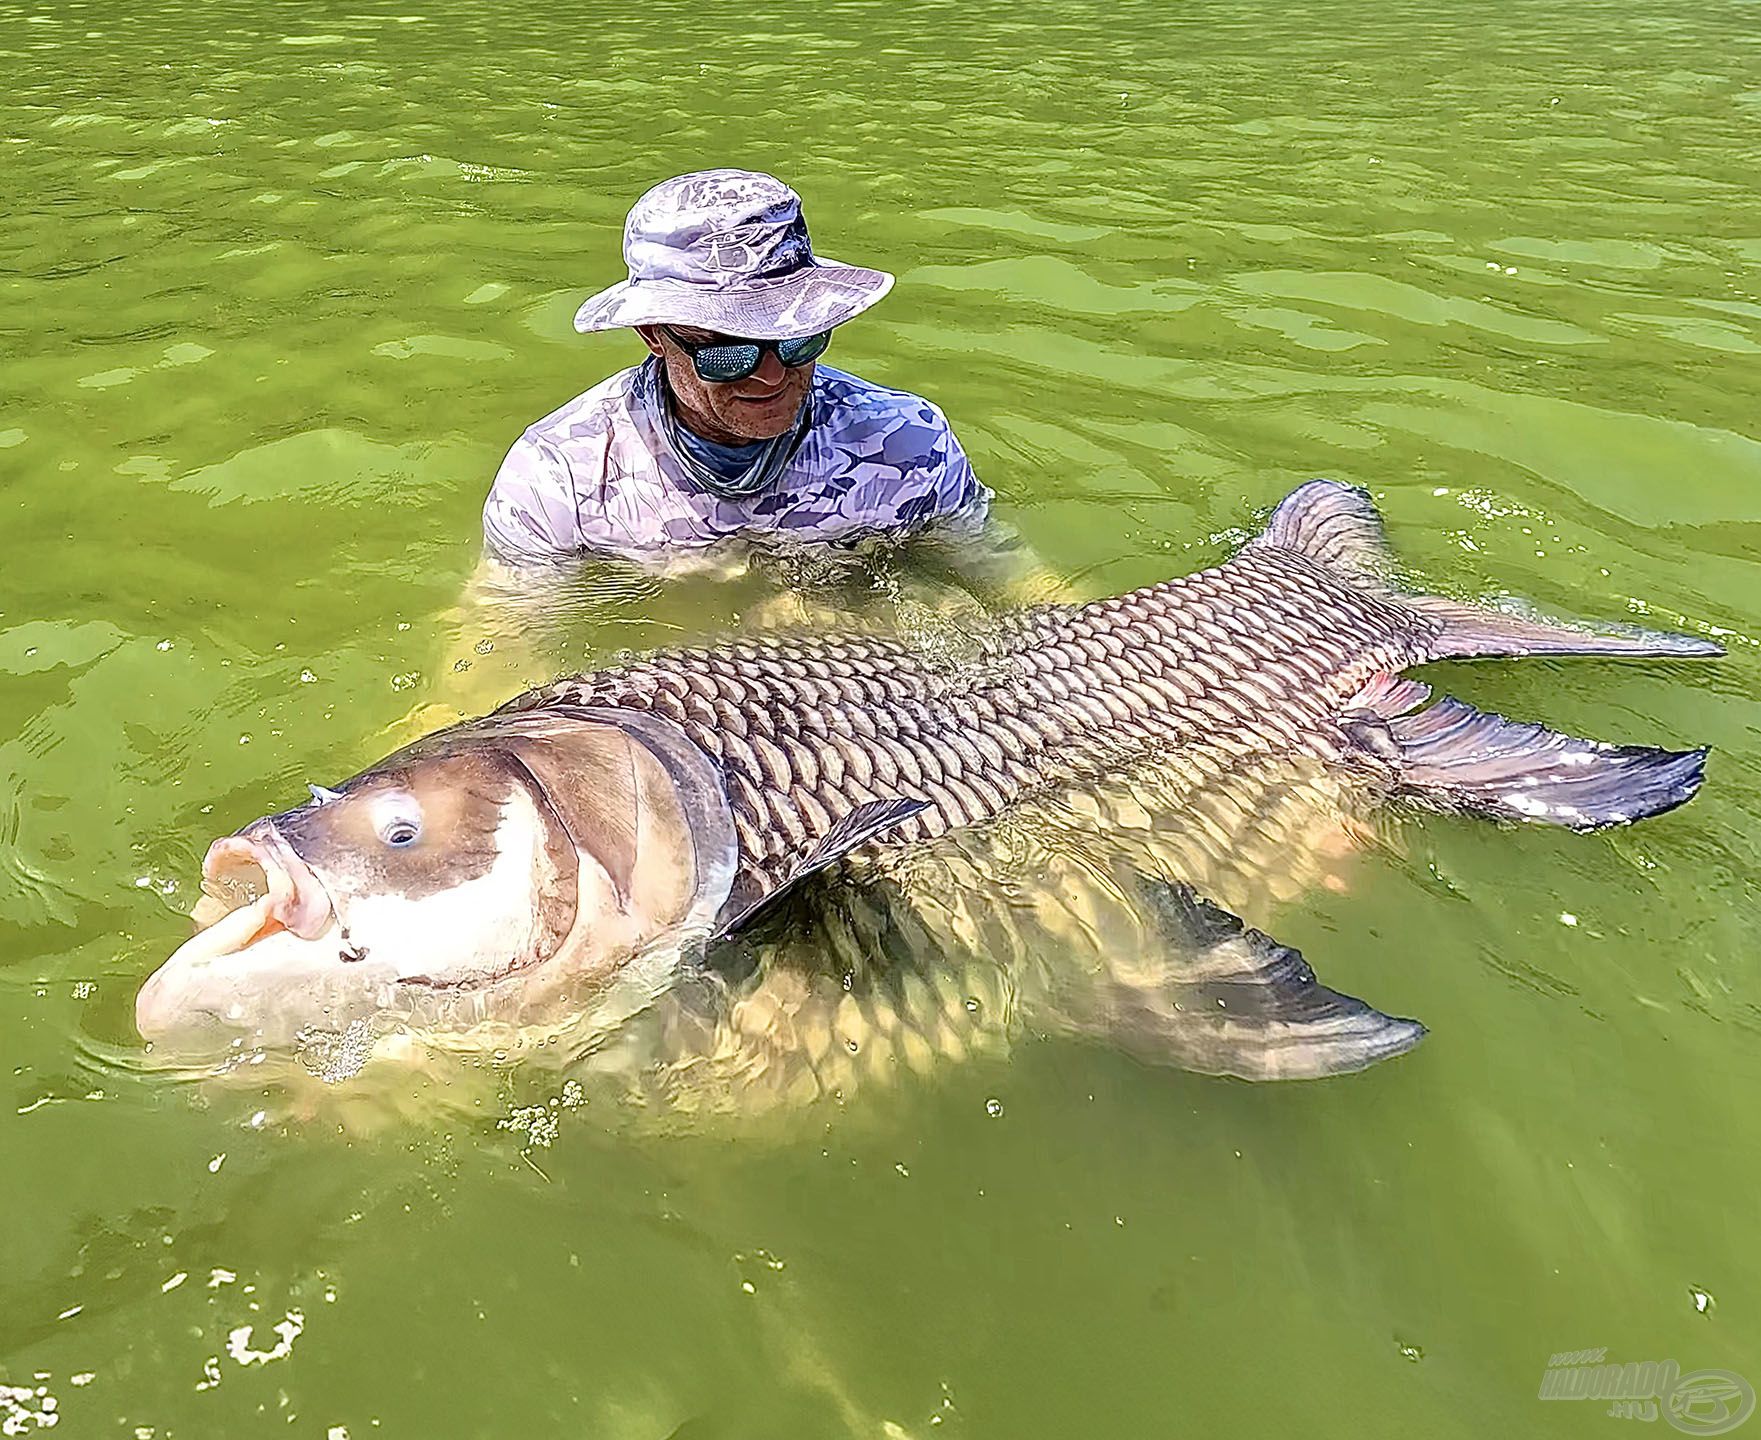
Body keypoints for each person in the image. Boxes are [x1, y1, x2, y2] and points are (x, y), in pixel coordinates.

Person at [482, 168, 994, 566]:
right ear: (654, 335)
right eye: (730, 354)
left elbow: (1005, 579)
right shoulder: (561, 475)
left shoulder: (910, 442)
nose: (771, 376)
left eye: (798, 341)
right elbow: (504, 639)